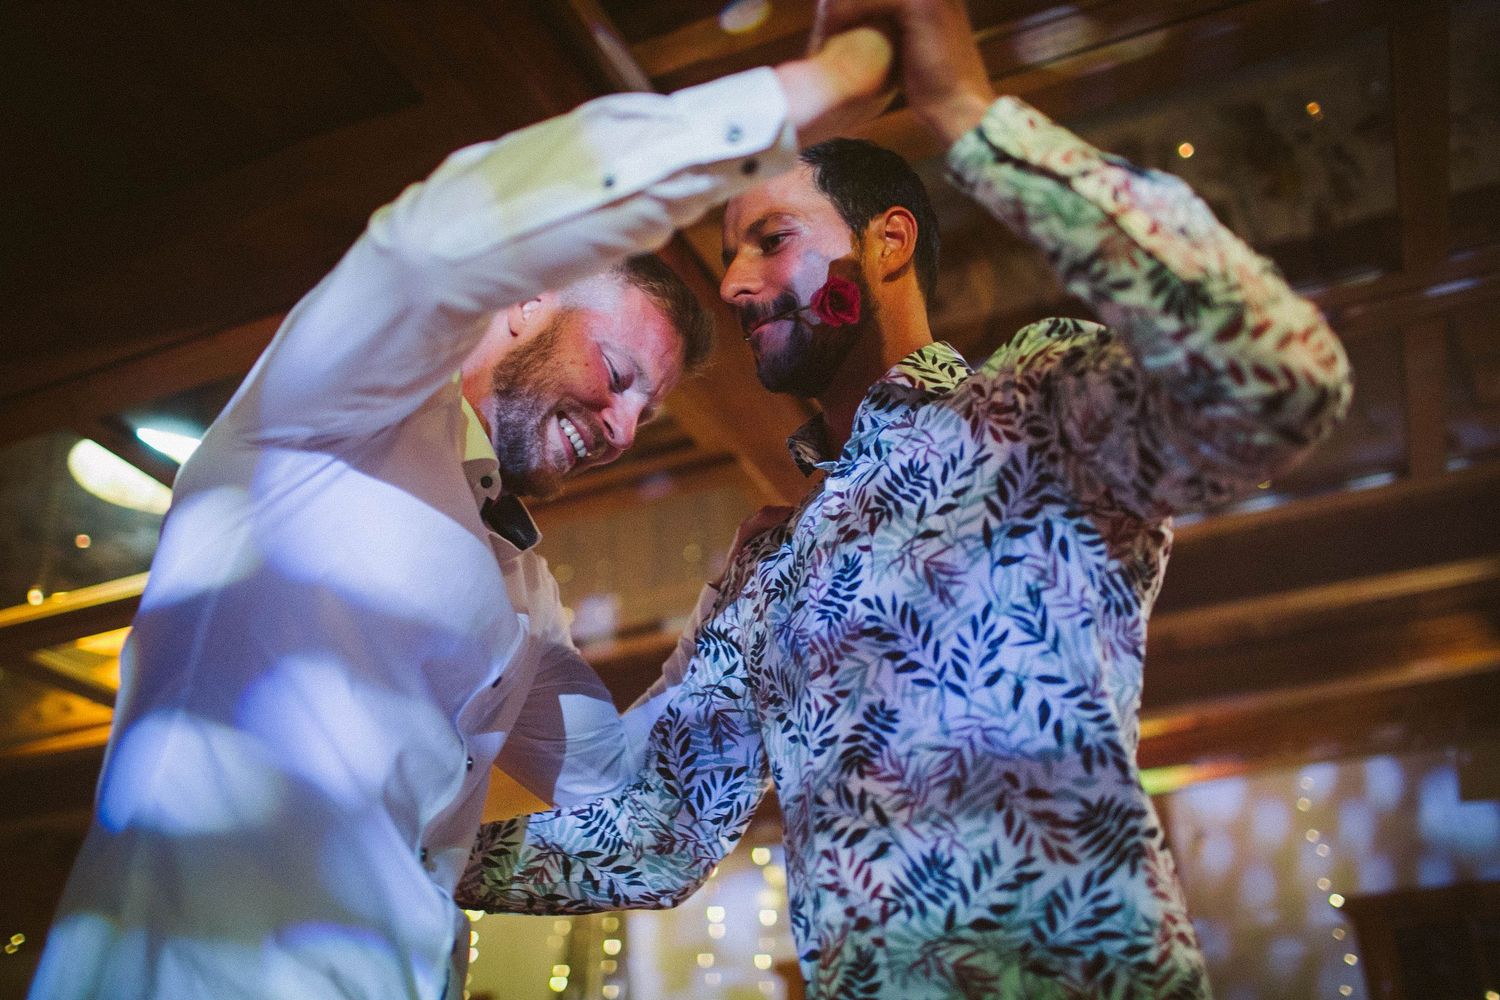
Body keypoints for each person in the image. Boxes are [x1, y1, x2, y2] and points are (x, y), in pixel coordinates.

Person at [456, 2, 1352, 998]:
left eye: (770, 238)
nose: (741, 286)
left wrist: (967, 110)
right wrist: (399, 853)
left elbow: (1276, 375)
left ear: (887, 244)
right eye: (732, 259)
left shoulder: (1027, 412)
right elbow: (655, 831)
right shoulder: (770, 570)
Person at [26, 25, 898, 1000]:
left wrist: (751, 598)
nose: (619, 428)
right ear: (524, 296)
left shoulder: (523, 584)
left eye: (643, 413)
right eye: (615, 377)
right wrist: (811, 90)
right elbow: (436, 240)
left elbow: (627, 792)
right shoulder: (342, 409)